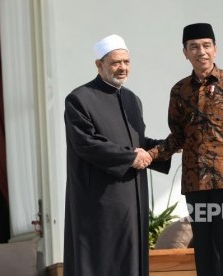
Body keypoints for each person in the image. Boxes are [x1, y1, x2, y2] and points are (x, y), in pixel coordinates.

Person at [148, 23, 223, 276]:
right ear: (185, 52)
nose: (201, 52)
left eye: (206, 45)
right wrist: (150, 155)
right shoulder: (179, 91)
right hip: (195, 185)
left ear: (215, 49)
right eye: (194, 47)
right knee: (206, 260)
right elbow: (177, 138)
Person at [63, 34, 170, 276]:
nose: (122, 68)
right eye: (115, 63)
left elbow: (137, 143)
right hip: (99, 202)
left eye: (126, 62)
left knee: (132, 262)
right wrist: (130, 158)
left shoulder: (132, 99)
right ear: (99, 65)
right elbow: (86, 143)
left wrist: (170, 146)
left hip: (132, 199)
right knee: (102, 263)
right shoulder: (79, 98)